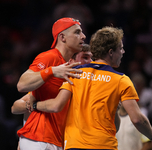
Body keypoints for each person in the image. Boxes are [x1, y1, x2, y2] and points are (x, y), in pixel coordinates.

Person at [28, 26, 152, 150]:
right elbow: (137, 120)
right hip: (104, 146)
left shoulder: (74, 73)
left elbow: (56, 105)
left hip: (74, 146)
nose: (123, 52)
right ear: (110, 52)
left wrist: (34, 105)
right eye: (120, 48)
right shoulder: (121, 80)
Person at [16, 17, 86, 150]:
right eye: (77, 32)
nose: (83, 36)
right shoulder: (49, 57)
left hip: (57, 140)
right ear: (62, 37)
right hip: (38, 139)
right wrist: (52, 71)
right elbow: (22, 84)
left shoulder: (70, 65)